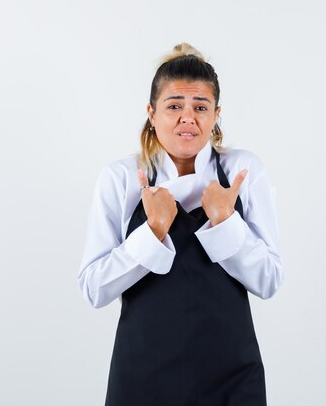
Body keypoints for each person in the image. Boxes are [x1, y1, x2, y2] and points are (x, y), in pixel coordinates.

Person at [77, 42, 284, 405]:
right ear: (151, 114)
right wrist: (153, 231)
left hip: (232, 379)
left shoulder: (243, 172)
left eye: (200, 107)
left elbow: (269, 281)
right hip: (142, 379)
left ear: (216, 115)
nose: (188, 118)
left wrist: (224, 220)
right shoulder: (121, 178)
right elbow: (94, 289)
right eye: (174, 106)